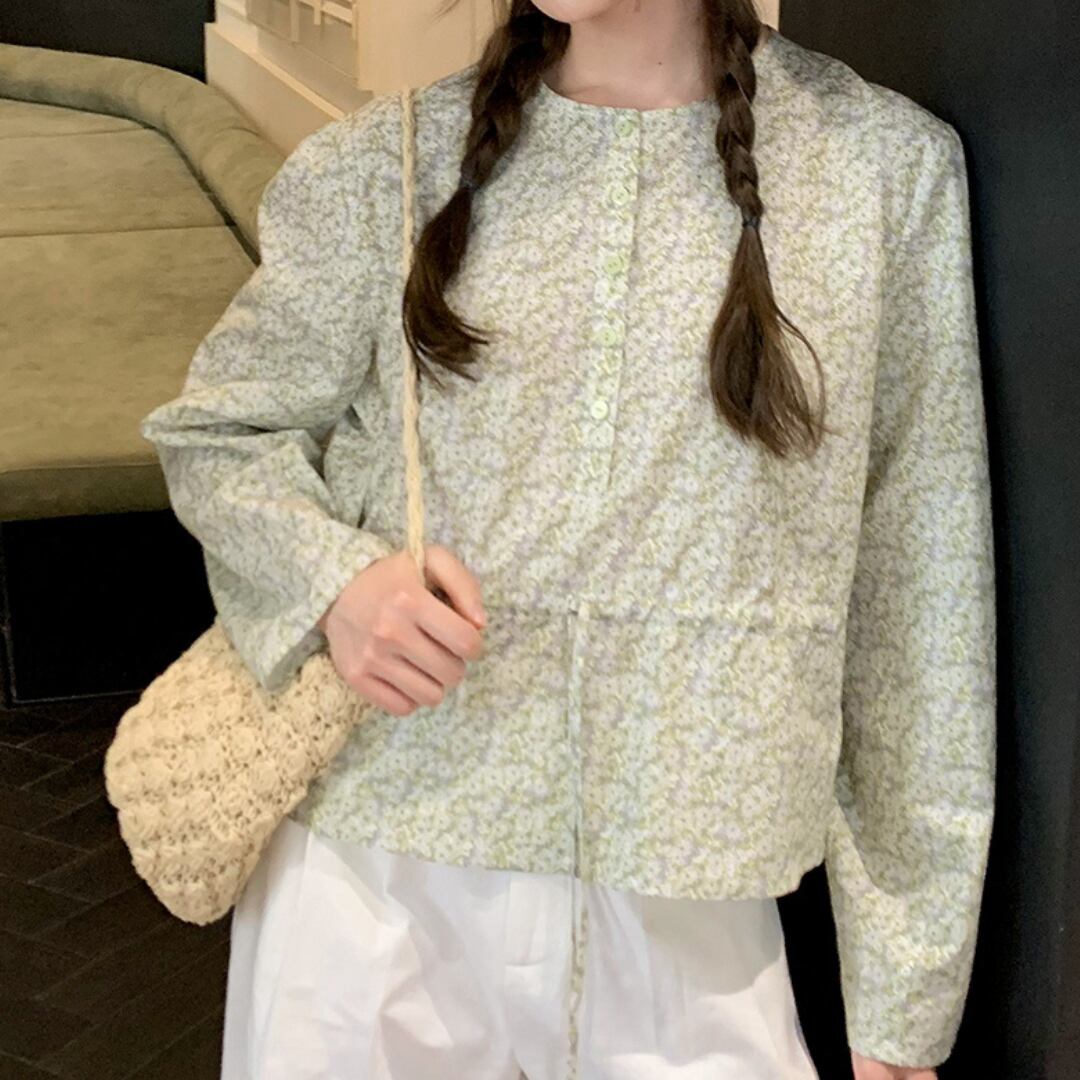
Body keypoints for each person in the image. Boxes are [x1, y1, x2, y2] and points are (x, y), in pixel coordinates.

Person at [139, 2, 997, 1078]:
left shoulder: (880, 174)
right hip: (375, 881)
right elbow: (222, 434)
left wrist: (905, 985)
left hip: (690, 899)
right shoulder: (381, 166)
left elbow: (919, 593)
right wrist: (337, 587)